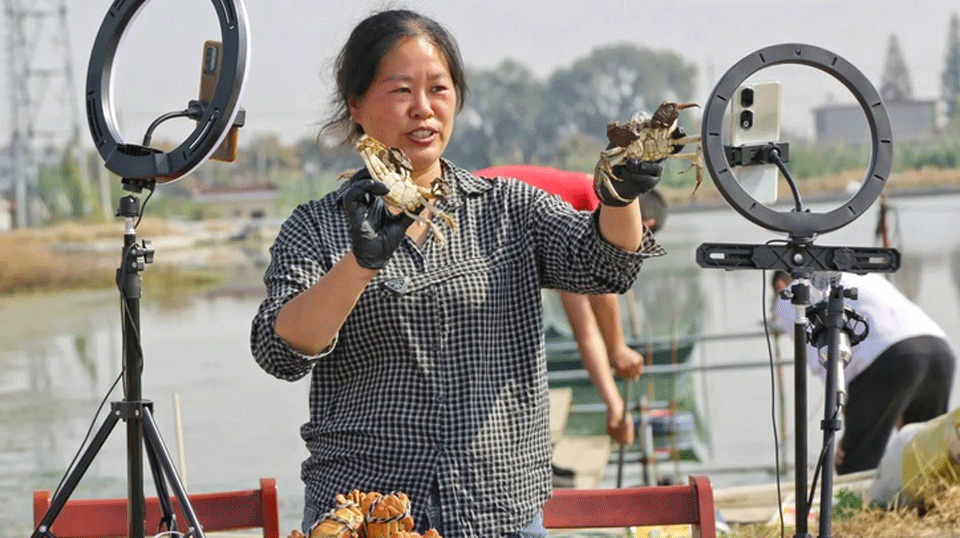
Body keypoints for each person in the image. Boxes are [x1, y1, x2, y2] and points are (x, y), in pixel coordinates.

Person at [250, 10, 668, 538]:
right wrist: (360, 263)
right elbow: (280, 352)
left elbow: (603, 266)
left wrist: (621, 195)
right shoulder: (315, 226)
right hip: (367, 513)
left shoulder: (509, 207)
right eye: (401, 90)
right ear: (356, 104)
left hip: (498, 509)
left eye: (438, 89)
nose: (423, 108)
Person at [474, 164, 669, 445]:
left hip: (481, 220)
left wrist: (614, 403)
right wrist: (617, 348)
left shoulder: (569, 213)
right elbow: (604, 289)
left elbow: (584, 329)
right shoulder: (601, 197)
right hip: (480, 213)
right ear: (645, 224)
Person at [771, 270, 956, 475]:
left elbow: (826, 361)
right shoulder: (856, 272)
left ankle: (851, 494)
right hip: (939, 350)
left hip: (887, 359)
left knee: (854, 464)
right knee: (928, 459)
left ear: (780, 285)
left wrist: (848, 435)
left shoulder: (791, 294)